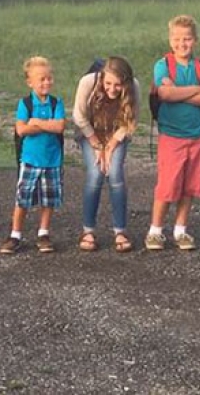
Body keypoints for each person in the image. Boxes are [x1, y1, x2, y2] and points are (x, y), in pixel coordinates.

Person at [146, 14, 200, 251]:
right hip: (172, 135)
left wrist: (182, 92)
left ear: (195, 40)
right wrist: (196, 89)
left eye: (187, 39)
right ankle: (155, 230)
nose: (181, 43)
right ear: (170, 40)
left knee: (190, 186)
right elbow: (165, 94)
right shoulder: (163, 65)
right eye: (176, 39)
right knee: (168, 184)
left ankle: (180, 229)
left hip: (197, 135)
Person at [72, 56, 140, 252]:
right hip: (89, 131)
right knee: (96, 174)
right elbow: (79, 116)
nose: (112, 89)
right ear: (102, 78)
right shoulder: (88, 82)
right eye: (108, 83)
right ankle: (88, 230)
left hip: (116, 132)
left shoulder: (134, 86)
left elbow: (132, 120)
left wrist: (111, 145)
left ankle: (120, 230)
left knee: (115, 172)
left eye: (118, 85)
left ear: (125, 83)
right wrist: (97, 144)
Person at [0, 56, 65, 255]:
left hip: (52, 160)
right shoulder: (25, 104)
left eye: (49, 78)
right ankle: (15, 234)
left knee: (49, 199)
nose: (46, 82)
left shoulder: (56, 103)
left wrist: (36, 123)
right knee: (23, 198)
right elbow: (21, 130)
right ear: (30, 82)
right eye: (41, 79)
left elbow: (60, 126)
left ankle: (43, 233)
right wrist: (45, 126)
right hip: (29, 160)